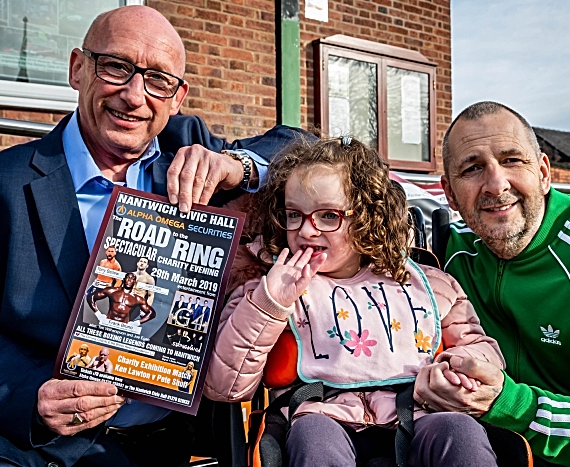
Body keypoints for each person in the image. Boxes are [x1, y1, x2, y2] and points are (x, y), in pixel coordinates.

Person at [0, 5, 307, 466]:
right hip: (33, 447)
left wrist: (237, 166)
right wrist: (31, 397)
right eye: (117, 67)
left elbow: (308, 147)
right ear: (78, 68)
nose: (134, 96)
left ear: (178, 96)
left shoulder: (188, 152)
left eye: (158, 80)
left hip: (170, 440)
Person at [203, 137, 505, 466]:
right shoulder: (267, 288)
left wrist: (457, 368)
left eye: (328, 216)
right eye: (293, 215)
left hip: (419, 411)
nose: (306, 230)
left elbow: (483, 351)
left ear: (366, 218)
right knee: (314, 436)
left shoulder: (430, 284)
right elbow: (223, 388)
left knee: (461, 431)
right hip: (319, 412)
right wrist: (269, 303)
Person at [413, 101, 570, 466]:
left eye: (512, 160)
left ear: (544, 173)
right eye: (473, 168)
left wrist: (509, 403)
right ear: (449, 193)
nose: (496, 185)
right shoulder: (446, 255)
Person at [87, 272, 156, 325]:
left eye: (132, 279)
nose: (129, 280)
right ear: (123, 280)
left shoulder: (137, 299)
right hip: (108, 322)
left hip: (123, 326)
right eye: (128, 277)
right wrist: (98, 315)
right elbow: (91, 297)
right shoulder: (112, 291)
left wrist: (136, 323)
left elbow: (152, 313)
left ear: (134, 282)